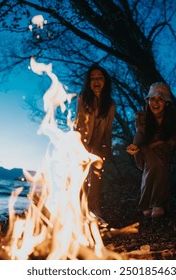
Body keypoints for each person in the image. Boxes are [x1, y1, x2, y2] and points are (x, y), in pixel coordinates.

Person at [126, 82, 176, 218]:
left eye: (160, 99)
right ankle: (156, 204)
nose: (155, 103)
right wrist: (135, 145)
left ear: (167, 102)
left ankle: (152, 204)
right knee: (152, 160)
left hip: (165, 149)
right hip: (144, 149)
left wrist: (155, 145)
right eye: (152, 99)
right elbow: (140, 133)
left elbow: (173, 139)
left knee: (158, 162)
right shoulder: (142, 115)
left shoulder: (175, 115)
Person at [74, 64, 115, 222]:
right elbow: (80, 124)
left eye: (100, 78)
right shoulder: (83, 98)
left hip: (99, 145)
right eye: (92, 78)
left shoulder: (110, 105)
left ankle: (95, 210)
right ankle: (78, 210)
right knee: (80, 178)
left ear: (105, 81)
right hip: (81, 143)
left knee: (96, 177)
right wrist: (81, 147)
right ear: (88, 82)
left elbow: (108, 129)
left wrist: (107, 149)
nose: (96, 81)